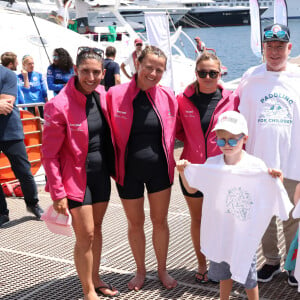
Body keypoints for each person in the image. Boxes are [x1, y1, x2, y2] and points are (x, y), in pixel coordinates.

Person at [177, 111, 291, 300]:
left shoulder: (255, 165)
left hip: (244, 234)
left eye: (232, 140)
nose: (227, 145)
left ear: (244, 138)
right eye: (221, 140)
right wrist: (182, 171)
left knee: (249, 278)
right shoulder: (212, 164)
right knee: (224, 274)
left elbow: (274, 188)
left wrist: (278, 178)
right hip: (220, 232)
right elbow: (191, 187)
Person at [42, 46, 119, 300]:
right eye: (85, 71)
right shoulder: (58, 105)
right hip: (74, 179)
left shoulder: (101, 95)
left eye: (96, 72)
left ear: (102, 72)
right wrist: (57, 192)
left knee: (96, 229)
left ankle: (95, 278)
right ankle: (87, 290)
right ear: (75, 70)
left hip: (100, 175)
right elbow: (49, 154)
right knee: (85, 234)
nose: (91, 77)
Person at [107, 45, 178, 291]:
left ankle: (162, 269)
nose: (153, 73)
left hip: (160, 169)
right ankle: (140, 270)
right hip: (128, 172)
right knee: (135, 223)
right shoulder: (114, 94)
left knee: (160, 221)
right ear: (137, 64)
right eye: (149, 67)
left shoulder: (168, 95)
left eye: (159, 69)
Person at [237, 23, 300, 283]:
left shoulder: (298, 78)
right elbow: (237, 118)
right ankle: (272, 261)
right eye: (269, 46)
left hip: (293, 161)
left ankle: (293, 265)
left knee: (292, 217)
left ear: (289, 48)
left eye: (279, 47)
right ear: (263, 48)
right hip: (259, 163)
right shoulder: (250, 77)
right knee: (263, 216)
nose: (274, 52)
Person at [176, 52, 239, 283]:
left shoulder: (232, 99)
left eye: (213, 73)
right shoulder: (182, 100)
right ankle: (203, 264)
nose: (208, 77)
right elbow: (178, 130)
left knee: (224, 220)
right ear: (196, 74)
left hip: (222, 170)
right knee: (199, 220)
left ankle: (225, 265)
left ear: (220, 73)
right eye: (203, 73)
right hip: (193, 170)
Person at [0, 64, 43, 227]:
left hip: (10, 132)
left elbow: (6, 105)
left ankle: (33, 204)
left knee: (24, 171)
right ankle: (2, 212)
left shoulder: (7, 74)